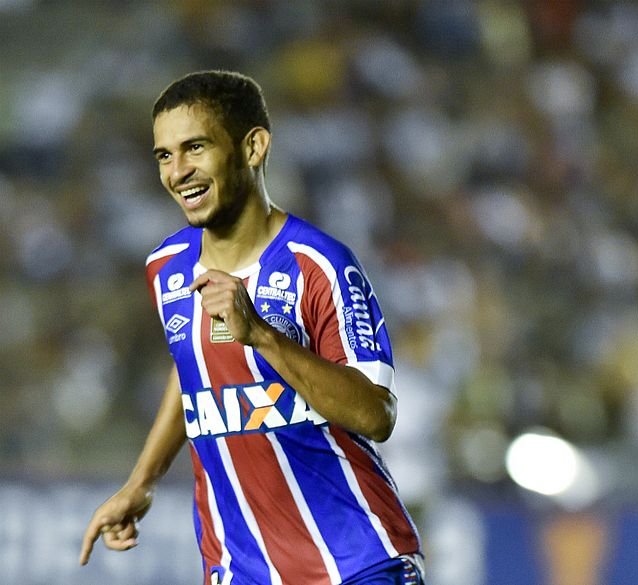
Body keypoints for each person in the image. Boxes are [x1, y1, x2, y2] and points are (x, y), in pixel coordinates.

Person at [79, 70, 425, 585]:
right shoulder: (166, 267)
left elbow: (376, 414)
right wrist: (142, 481)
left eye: (195, 148)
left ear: (253, 147)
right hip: (238, 568)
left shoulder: (319, 264)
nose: (178, 171)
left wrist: (261, 334)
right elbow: (194, 369)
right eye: (164, 156)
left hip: (354, 563)